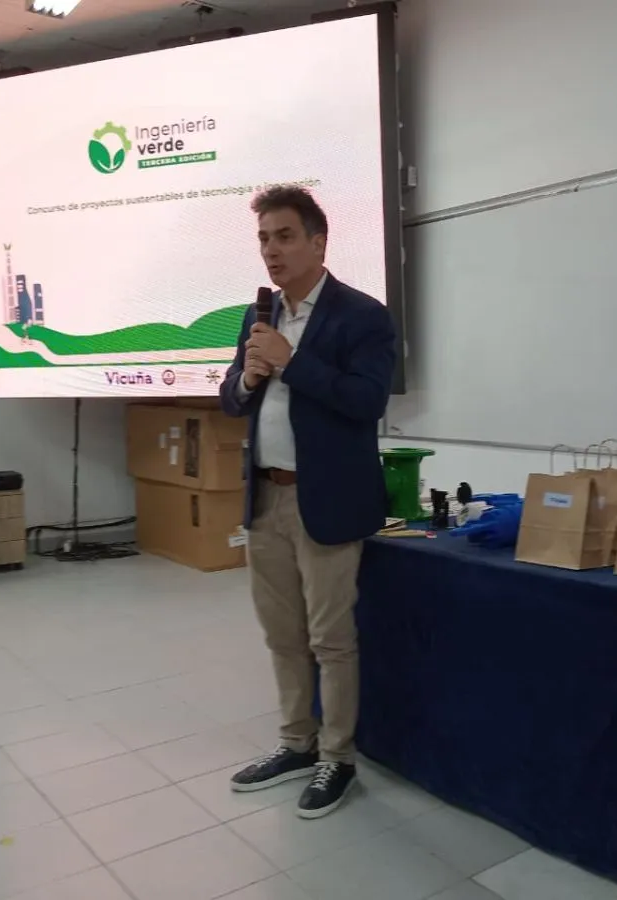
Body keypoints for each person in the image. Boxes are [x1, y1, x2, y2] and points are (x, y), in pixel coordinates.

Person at [220, 185, 396, 819]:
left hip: (326, 502)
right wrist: (248, 378)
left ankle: (337, 758)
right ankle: (297, 743)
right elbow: (231, 398)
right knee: (282, 635)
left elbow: (366, 401)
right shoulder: (259, 313)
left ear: (319, 242)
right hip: (264, 497)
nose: (272, 250)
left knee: (331, 640)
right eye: (264, 239)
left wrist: (291, 363)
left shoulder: (362, 315)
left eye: (285, 237)